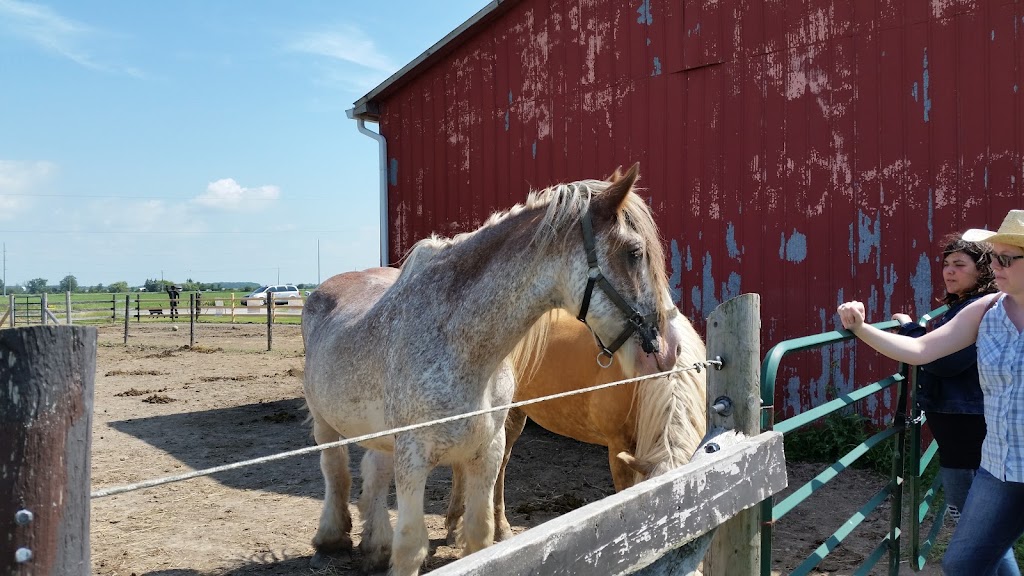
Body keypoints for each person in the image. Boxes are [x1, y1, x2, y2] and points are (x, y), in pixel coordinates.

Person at [838, 209, 1024, 576]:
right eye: (993, 257)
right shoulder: (986, 311)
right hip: (1000, 467)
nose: (995, 266)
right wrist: (860, 328)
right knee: (962, 563)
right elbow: (923, 351)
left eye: (1006, 258)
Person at [890, 235, 997, 530]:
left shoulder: (979, 310)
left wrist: (911, 331)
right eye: (946, 264)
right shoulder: (966, 306)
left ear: (983, 270)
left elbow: (942, 361)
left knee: (970, 523)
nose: (949, 271)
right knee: (974, 524)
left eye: (960, 265)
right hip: (959, 424)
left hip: (966, 426)